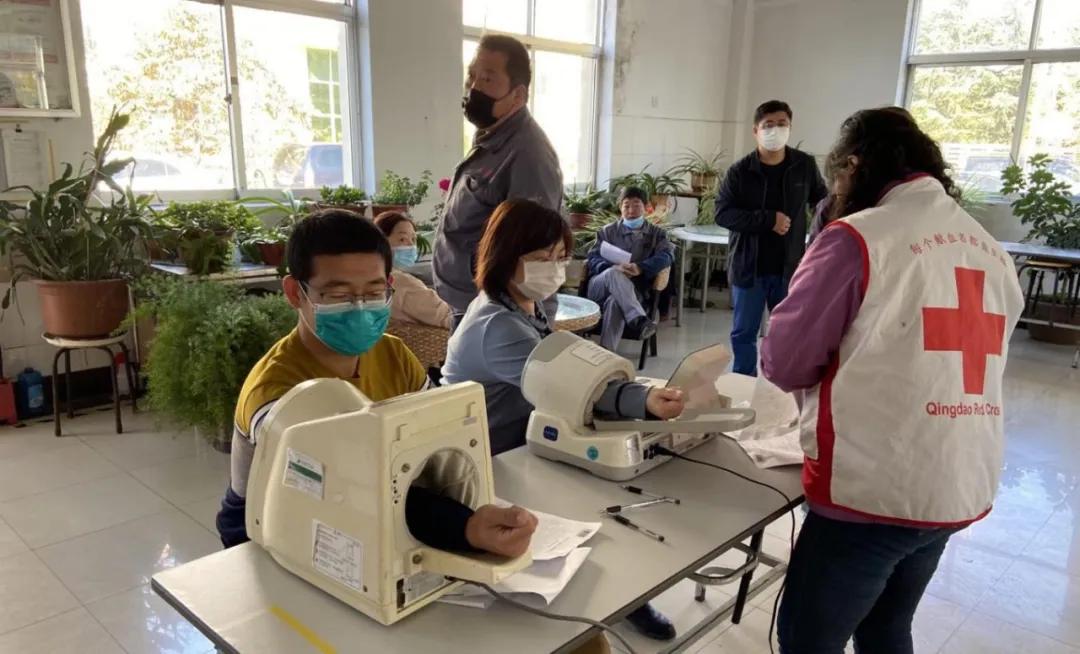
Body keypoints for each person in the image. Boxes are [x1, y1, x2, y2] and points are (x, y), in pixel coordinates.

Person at [760, 108, 1023, 653]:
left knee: (808, 642)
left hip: (875, 492)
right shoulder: (991, 249)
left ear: (854, 166)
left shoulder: (857, 239)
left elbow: (785, 362)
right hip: (956, 481)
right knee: (886, 628)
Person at [215, 209, 537, 560]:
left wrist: (469, 507)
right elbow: (344, 490)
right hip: (268, 523)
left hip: (382, 505)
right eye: (338, 295)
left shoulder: (392, 353)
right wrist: (465, 527)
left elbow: (437, 438)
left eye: (373, 292)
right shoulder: (277, 391)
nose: (360, 307)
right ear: (295, 292)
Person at [441, 199, 685, 642]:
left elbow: (571, 364)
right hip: (491, 460)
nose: (553, 269)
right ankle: (602, 604)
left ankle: (622, 596)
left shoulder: (526, 305)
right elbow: (569, 385)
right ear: (505, 257)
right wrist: (642, 400)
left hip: (525, 439)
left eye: (559, 257)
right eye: (540, 258)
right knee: (594, 495)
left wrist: (635, 387)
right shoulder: (497, 324)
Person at [433, 34, 563, 324]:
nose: (474, 87)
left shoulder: (529, 156)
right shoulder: (492, 138)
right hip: (469, 307)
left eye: (488, 79)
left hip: (494, 319)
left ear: (518, 95)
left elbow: (535, 261)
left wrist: (521, 329)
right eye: (472, 76)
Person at [715, 100, 828, 375]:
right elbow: (723, 214)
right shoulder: (740, 172)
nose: (775, 130)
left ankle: (782, 386)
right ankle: (744, 385)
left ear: (790, 127)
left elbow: (823, 203)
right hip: (749, 268)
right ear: (756, 130)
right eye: (768, 125)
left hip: (789, 267)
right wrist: (767, 220)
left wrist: (822, 239)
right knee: (744, 333)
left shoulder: (803, 165)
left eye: (781, 124)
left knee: (788, 332)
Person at [585, 186, 675, 351]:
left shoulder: (657, 234)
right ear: (620, 208)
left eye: (636, 205)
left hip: (634, 290)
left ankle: (607, 354)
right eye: (626, 206)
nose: (631, 210)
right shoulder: (607, 232)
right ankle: (639, 319)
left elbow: (667, 256)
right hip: (600, 286)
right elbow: (592, 257)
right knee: (614, 272)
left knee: (615, 302)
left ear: (646, 207)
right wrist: (609, 267)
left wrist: (640, 268)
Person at [374, 211, 454, 329]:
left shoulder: (372, 277)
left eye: (413, 239)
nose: (411, 245)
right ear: (381, 243)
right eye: (402, 239)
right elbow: (448, 316)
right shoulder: (400, 282)